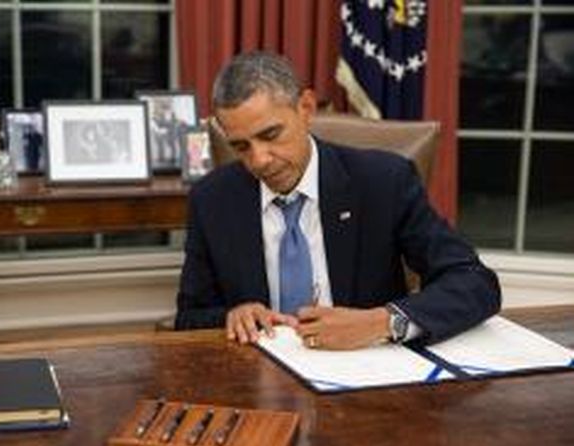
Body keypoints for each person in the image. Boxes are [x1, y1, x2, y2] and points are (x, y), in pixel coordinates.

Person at [174, 51, 501, 350]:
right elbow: (189, 317)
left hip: (367, 371)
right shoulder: (212, 199)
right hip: (260, 377)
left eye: (270, 135)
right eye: (241, 146)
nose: (259, 160)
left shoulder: (383, 182)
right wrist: (233, 315)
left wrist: (382, 322)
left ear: (306, 108)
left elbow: (475, 283)